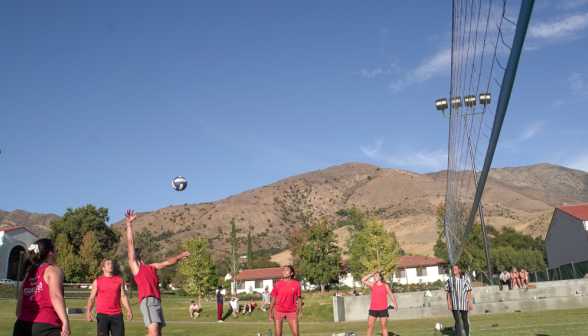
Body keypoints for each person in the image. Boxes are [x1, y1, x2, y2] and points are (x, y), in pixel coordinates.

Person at [126, 209, 191, 336]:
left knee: (158, 335)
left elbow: (168, 262)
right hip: (148, 300)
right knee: (153, 334)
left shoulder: (151, 267)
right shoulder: (135, 267)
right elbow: (130, 242)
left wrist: (179, 256)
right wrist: (129, 224)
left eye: (138, 249)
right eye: (135, 250)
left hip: (156, 301)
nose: (137, 249)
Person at [13, 238, 71, 336]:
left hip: (21, 325)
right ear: (50, 253)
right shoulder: (53, 270)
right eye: (56, 250)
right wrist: (65, 321)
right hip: (46, 326)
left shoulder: (28, 276)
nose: (57, 253)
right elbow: (55, 296)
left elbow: (18, 311)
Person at [86, 258, 133, 336]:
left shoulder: (119, 280)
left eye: (112, 264)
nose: (110, 265)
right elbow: (91, 298)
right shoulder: (97, 281)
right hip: (102, 315)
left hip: (117, 315)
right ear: (103, 268)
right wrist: (88, 312)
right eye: (108, 264)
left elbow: (123, 296)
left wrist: (129, 310)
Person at [268, 266, 303, 336]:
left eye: (287, 270)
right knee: (278, 334)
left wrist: (300, 311)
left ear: (291, 273)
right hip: (279, 311)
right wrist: (270, 312)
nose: (284, 272)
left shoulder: (297, 284)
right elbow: (273, 299)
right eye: (283, 270)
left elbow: (299, 298)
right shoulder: (277, 284)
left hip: (292, 312)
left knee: (296, 334)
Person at [361, 272, 398, 336]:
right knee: (370, 325)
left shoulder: (385, 286)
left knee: (383, 326)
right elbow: (363, 280)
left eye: (376, 276)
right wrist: (371, 274)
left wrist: (395, 303)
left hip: (383, 309)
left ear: (380, 277)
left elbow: (391, 295)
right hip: (373, 309)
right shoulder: (373, 285)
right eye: (374, 276)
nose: (374, 277)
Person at [445, 265, 473, 336]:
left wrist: (470, 303)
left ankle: (467, 334)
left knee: (465, 319)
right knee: (457, 320)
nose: (454, 270)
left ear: (459, 270)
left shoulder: (464, 279)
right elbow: (448, 292)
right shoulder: (450, 280)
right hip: (454, 304)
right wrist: (449, 303)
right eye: (453, 269)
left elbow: (469, 291)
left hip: (463, 303)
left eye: (455, 269)